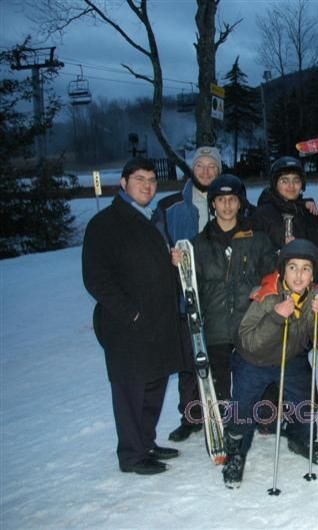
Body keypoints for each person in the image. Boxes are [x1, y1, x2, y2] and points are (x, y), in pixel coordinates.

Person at [82, 157, 185, 475]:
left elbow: (147, 264)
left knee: (154, 384)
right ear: (124, 183)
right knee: (130, 390)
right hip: (128, 325)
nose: (147, 185)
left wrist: (171, 262)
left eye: (152, 180)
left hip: (158, 322)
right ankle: (131, 455)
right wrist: (132, 313)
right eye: (140, 179)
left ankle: (146, 442)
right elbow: (96, 278)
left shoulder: (153, 218)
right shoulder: (106, 223)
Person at [222, 239, 318, 488]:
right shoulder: (267, 295)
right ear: (282, 270)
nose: (298, 275)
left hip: (290, 358)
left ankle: (301, 439)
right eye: (292, 267)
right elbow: (248, 340)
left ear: (313, 274)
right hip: (253, 360)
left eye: (305, 268)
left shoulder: (316, 297)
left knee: (304, 399)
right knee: (243, 406)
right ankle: (235, 452)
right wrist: (276, 317)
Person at [174, 175, 276, 403]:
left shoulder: (258, 240)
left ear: (240, 203)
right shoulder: (197, 245)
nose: (227, 205)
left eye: (232, 199)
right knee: (220, 391)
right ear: (213, 204)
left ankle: (262, 415)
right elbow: (190, 288)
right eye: (221, 200)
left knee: (252, 385)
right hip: (215, 329)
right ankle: (221, 421)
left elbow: (272, 277)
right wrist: (178, 266)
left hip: (250, 327)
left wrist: (263, 293)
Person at [154, 145, 223, 443]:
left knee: (221, 356)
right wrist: (166, 257)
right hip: (186, 295)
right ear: (192, 169)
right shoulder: (171, 206)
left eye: (212, 167)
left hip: (220, 297)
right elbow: (154, 244)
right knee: (188, 359)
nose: (206, 171)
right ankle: (191, 416)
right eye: (200, 166)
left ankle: (221, 411)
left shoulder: (230, 201)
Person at [254, 156, 318, 249]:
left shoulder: (308, 213)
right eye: (284, 181)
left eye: (296, 180)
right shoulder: (262, 215)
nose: (291, 186)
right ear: (275, 184)